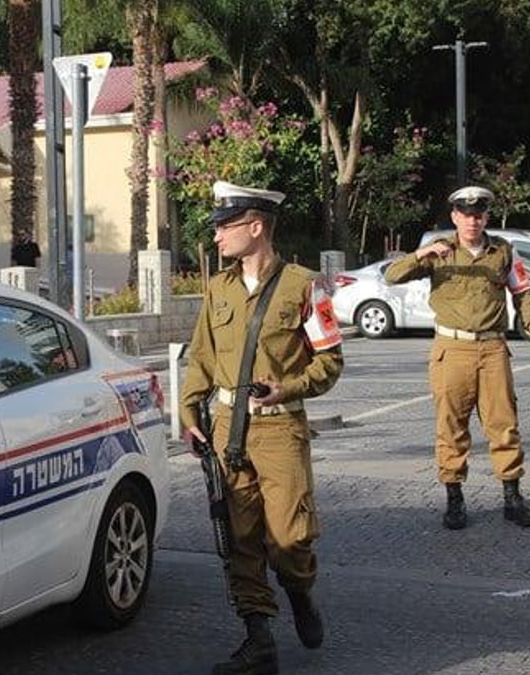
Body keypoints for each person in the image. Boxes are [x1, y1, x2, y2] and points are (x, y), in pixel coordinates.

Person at [181, 180, 344, 675]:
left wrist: (288, 388)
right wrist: (190, 413)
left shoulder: (305, 286)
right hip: (228, 428)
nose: (216, 237)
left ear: (256, 227)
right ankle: (259, 641)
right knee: (239, 537)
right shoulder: (217, 289)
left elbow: (330, 363)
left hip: (279, 429)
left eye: (225, 227)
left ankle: (299, 592)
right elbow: (202, 358)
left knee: (290, 539)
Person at [384, 186, 530, 531]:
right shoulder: (440, 252)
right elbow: (392, 276)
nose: (472, 221)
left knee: (504, 424)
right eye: (465, 214)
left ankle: (512, 497)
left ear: (486, 216)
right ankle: (454, 499)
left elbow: (523, 294)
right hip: (452, 350)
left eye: (478, 215)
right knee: (451, 426)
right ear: (455, 217)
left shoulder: (502, 252)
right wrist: (421, 253)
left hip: (492, 349)